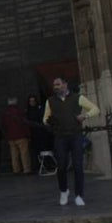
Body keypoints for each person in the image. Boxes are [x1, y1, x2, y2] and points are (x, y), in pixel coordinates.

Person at [44, 77, 100, 206]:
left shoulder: (78, 98)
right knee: (62, 166)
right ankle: (64, 191)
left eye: (58, 84)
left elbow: (95, 109)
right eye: (54, 85)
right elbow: (45, 118)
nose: (55, 87)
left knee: (78, 166)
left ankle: (79, 195)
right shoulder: (50, 101)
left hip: (75, 135)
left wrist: (85, 116)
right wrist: (48, 122)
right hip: (60, 137)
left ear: (65, 85)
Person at [1, 98, 32, 175]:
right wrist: (28, 134)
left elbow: (4, 125)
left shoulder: (5, 113)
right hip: (21, 135)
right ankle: (26, 169)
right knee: (24, 153)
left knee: (14, 154)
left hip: (11, 137)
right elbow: (24, 124)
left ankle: (16, 170)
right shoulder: (19, 111)